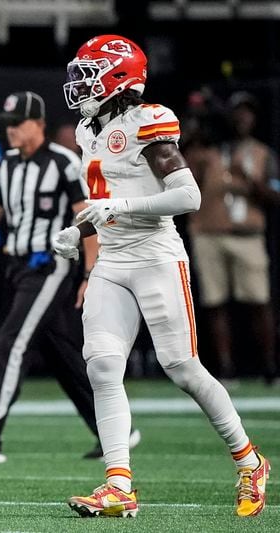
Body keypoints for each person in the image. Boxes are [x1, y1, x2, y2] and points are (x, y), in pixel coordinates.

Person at [53, 34, 270, 518]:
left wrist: (114, 208)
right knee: (102, 366)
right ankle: (118, 485)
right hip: (111, 260)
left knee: (183, 368)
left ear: (119, 77)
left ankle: (249, 459)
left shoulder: (148, 120)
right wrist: (78, 228)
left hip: (155, 257)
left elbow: (187, 197)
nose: (79, 85)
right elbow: (107, 201)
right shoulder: (89, 129)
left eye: (88, 74)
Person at [0, 91, 136, 462]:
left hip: (50, 265)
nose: (11, 131)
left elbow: (88, 220)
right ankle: (116, 429)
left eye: (18, 123)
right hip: (17, 267)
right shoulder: (9, 163)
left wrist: (91, 272)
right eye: (8, 124)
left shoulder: (64, 162)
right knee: (61, 353)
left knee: (11, 343)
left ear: (39, 124)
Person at [187, 91, 280, 386]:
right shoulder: (208, 151)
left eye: (248, 112)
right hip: (209, 231)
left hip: (247, 234)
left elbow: (275, 196)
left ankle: (270, 367)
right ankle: (225, 369)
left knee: (259, 300)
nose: (242, 117)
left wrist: (249, 179)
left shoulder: (262, 153)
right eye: (237, 111)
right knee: (215, 302)